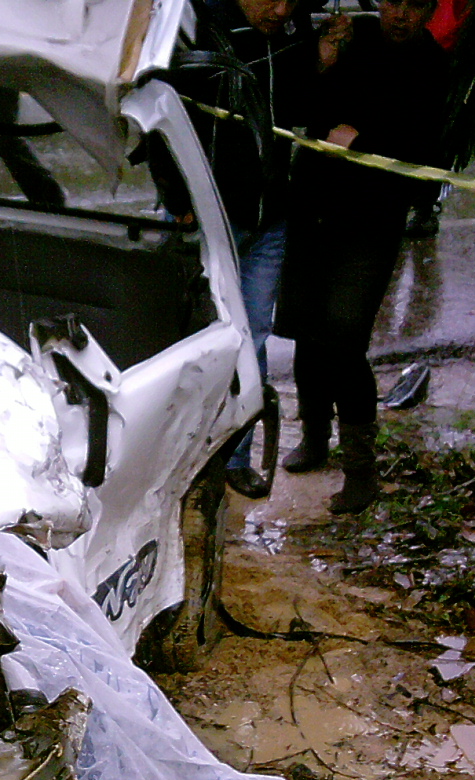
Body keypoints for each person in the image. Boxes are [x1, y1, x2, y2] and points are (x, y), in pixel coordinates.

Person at [277, 0, 449, 514]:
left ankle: (360, 469)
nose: (402, 14)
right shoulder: (351, 36)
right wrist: (321, 61)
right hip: (314, 207)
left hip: (371, 222)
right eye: (393, 1)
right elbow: (298, 110)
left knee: (343, 338)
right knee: (307, 330)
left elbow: (431, 156)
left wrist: (365, 143)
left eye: (415, 5)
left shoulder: (433, 64)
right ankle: (314, 435)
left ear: (430, 9)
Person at [159, 0, 322, 499]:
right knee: (187, 344)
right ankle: (174, 465)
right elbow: (158, 113)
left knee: (251, 341)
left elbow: (299, 113)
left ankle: (235, 458)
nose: (280, 9)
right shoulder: (196, 29)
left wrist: (320, 59)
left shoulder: (291, 35)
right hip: (205, 217)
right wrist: (177, 199)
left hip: (267, 220)